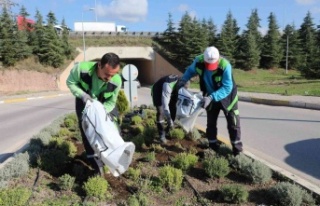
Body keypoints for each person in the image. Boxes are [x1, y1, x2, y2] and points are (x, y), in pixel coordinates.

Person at [180, 46, 243, 156]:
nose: (211, 68)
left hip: (228, 97)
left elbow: (227, 87)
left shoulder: (225, 66)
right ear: (204, 60)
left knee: (233, 123)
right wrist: (184, 80)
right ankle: (213, 147)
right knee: (211, 122)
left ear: (218, 60)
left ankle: (237, 151)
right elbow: (190, 71)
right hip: (209, 95)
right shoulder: (198, 61)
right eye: (208, 65)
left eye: (213, 66)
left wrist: (211, 97)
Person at [66, 52, 122, 174]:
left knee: (114, 128)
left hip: (105, 104)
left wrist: (101, 114)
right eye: (107, 74)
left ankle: (111, 159)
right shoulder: (81, 69)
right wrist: (83, 95)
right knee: (87, 131)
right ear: (99, 65)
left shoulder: (116, 81)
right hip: (85, 100)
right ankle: (96, 165)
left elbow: (111, 102)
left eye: (114, 74)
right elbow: (70, 83)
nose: (109, 78)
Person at [151, 74, 184, 143]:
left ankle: (168, 131)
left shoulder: (182, 82)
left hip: (172, 90)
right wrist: (169, 120)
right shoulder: (168, 85)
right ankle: (162, 135)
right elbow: (165, 106)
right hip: (158, 90)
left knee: (173, 109)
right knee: (161, 111)